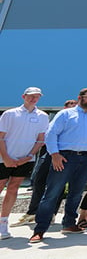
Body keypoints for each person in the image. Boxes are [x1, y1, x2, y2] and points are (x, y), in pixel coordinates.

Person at [29, 88, 87, 243]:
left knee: (76, 193)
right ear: (80, 97)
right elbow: (51, 134)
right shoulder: (65, 114)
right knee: (52, 193)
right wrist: (55, 154)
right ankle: (40, 229)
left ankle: (69, 224)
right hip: (64, 158)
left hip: (86, 159)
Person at [11, 99, 76, 228]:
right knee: (37, 181)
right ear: (64, 108)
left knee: (58, 185)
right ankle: (32, 212)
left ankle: (51, 214)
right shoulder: (56, 119)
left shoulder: (76, 124)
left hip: (63, 155)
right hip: (47, 153)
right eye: (69, 107)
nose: (71, 111)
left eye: (74, 108)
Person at [0, 87, 49, 240]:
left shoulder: (43, 116)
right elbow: (1, 136)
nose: (34, 99)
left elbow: (41, 139)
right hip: (3, 158)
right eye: (31, 96)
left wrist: (28, 156)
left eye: (37, 97)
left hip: (25, 159)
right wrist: (6, 157)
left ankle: (3, 224)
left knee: (13, 188)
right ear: (23, 96)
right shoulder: (10, 114)